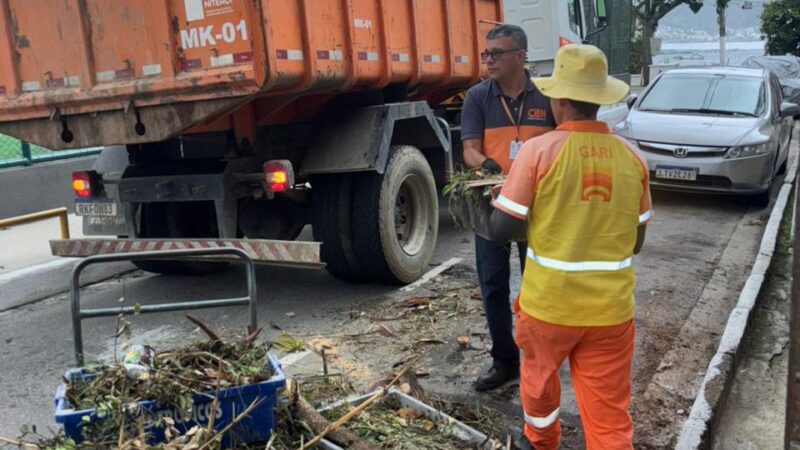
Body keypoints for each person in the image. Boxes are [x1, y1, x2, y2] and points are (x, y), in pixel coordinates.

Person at [488, 44, 652, 449]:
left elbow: (502, 229)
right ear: (599, 100)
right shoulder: (633, 158)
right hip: (610, 313)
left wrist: (504, 199)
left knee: (540, 390)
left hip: (548, 309)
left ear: (558, 99)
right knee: (609, 415)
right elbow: (636, 241)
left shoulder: (538, 151)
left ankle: (540, 441)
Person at [460, 24, 556, 392]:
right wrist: (488, 168)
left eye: (496, 53)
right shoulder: (477, 97)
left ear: (520, 56)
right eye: (485, 54)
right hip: (492, 205)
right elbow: (469, 148)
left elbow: (561, 142)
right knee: (493, 284)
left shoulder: (547, 95)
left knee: (538, 284)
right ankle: (504, 361)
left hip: (539, 207)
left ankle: (539, 357)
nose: (488, 60)